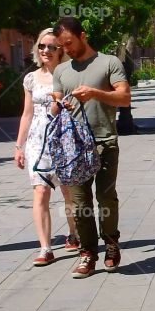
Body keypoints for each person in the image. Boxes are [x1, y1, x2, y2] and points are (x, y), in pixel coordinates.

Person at [50, 16, 131, 278]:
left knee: (106, 198)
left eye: (69, 43)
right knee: (80, 203)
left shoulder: (109, 63)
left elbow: (124, 98)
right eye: (62, 46)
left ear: (83, 35)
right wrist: (57, 105)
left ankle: (111, 244)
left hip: (105, 141)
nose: (67, 50)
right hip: (73, 148)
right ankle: (87, 253)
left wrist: (96, 93)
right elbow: (57, 107)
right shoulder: (61, 71)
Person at [14, 31, 79, 265]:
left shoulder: (69, 75)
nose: (46, 51)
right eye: (42, 46)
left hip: (63, 139)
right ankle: (45, 248)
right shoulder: (31, 78)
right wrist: (19, 146)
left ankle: (73, 232)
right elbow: (27, 114)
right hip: (37, 142)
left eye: (52, 47)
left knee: (68, 191)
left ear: (60, 50)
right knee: (40, 191)